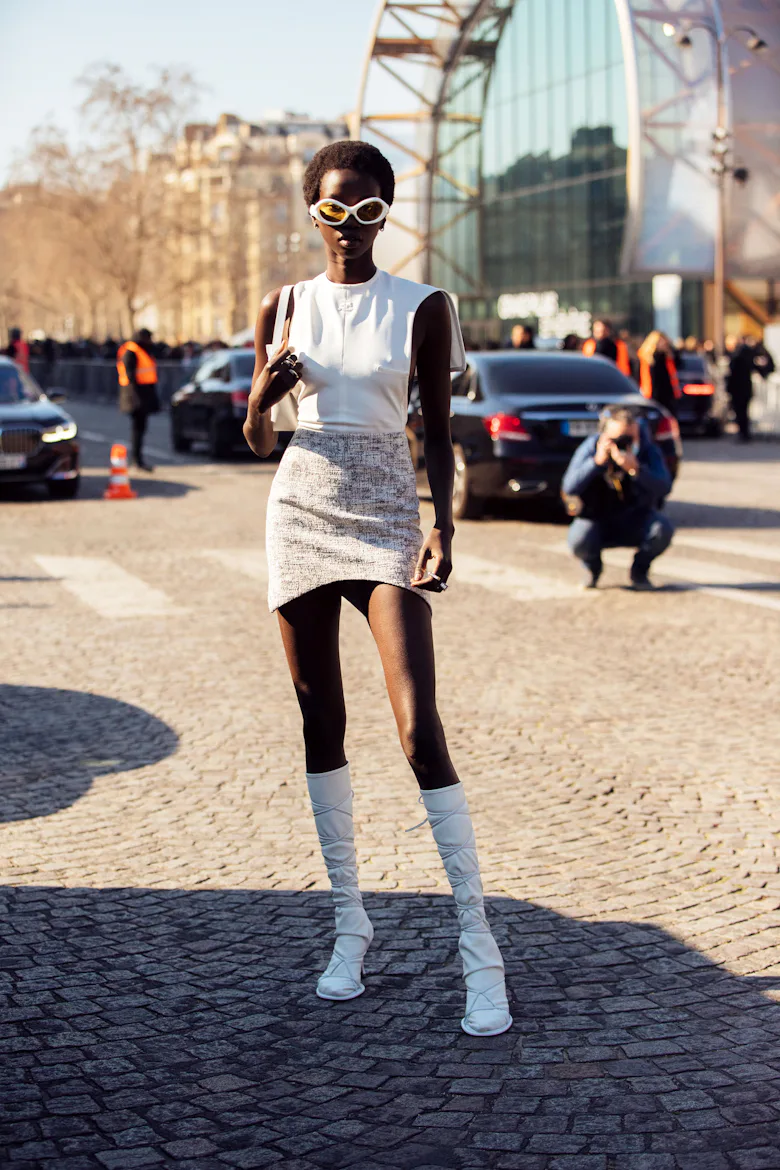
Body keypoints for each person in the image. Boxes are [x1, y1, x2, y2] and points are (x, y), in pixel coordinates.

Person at [242, 139, 512, 1038]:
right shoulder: (283, 304)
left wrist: (445, 523)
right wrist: (262, 399)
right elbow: (255, 436)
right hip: (301, 505)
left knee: (414, 725)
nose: (348, 228)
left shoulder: (424, 306)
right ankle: (349, 924)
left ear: (387, 212)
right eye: (331, 210)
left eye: (365, 210)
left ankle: (479, 948)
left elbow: (436, 430)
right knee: (322, 719)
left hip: (390, 511)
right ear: (312, 213)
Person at [562, 405, 673, 590]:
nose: (623, 445)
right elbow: (569, 487)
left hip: (635, 519)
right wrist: (596, 463)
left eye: (629, 438)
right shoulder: (591, 448)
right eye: (617, 439)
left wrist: (637, 471)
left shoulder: (647, 450)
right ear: (604, 436)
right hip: (597, 520)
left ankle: (639, 572)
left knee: (661, 530)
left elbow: (664, 487)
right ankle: (592, 569)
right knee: (579, 539)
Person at [116, 327, 160, 471]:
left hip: (142, 395)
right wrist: (138, 399)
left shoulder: (140, 350)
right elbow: (130, 376)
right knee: (137, 429)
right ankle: (136, 459)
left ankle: (137, 459)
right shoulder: (132, 351)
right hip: (135, 396)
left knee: (140, 428)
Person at [726, 335, 775, 443]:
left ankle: (744, 433)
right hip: (743, 389)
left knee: (741, 412)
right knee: (742, 412)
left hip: (739, 390)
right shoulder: (743, 357)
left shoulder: (739, 357)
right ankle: (744, 433)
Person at [637, 330, 680, 416]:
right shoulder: (647, 358)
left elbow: (679, 364)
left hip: (667, 395)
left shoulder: (667, 357)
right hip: (651, 395)